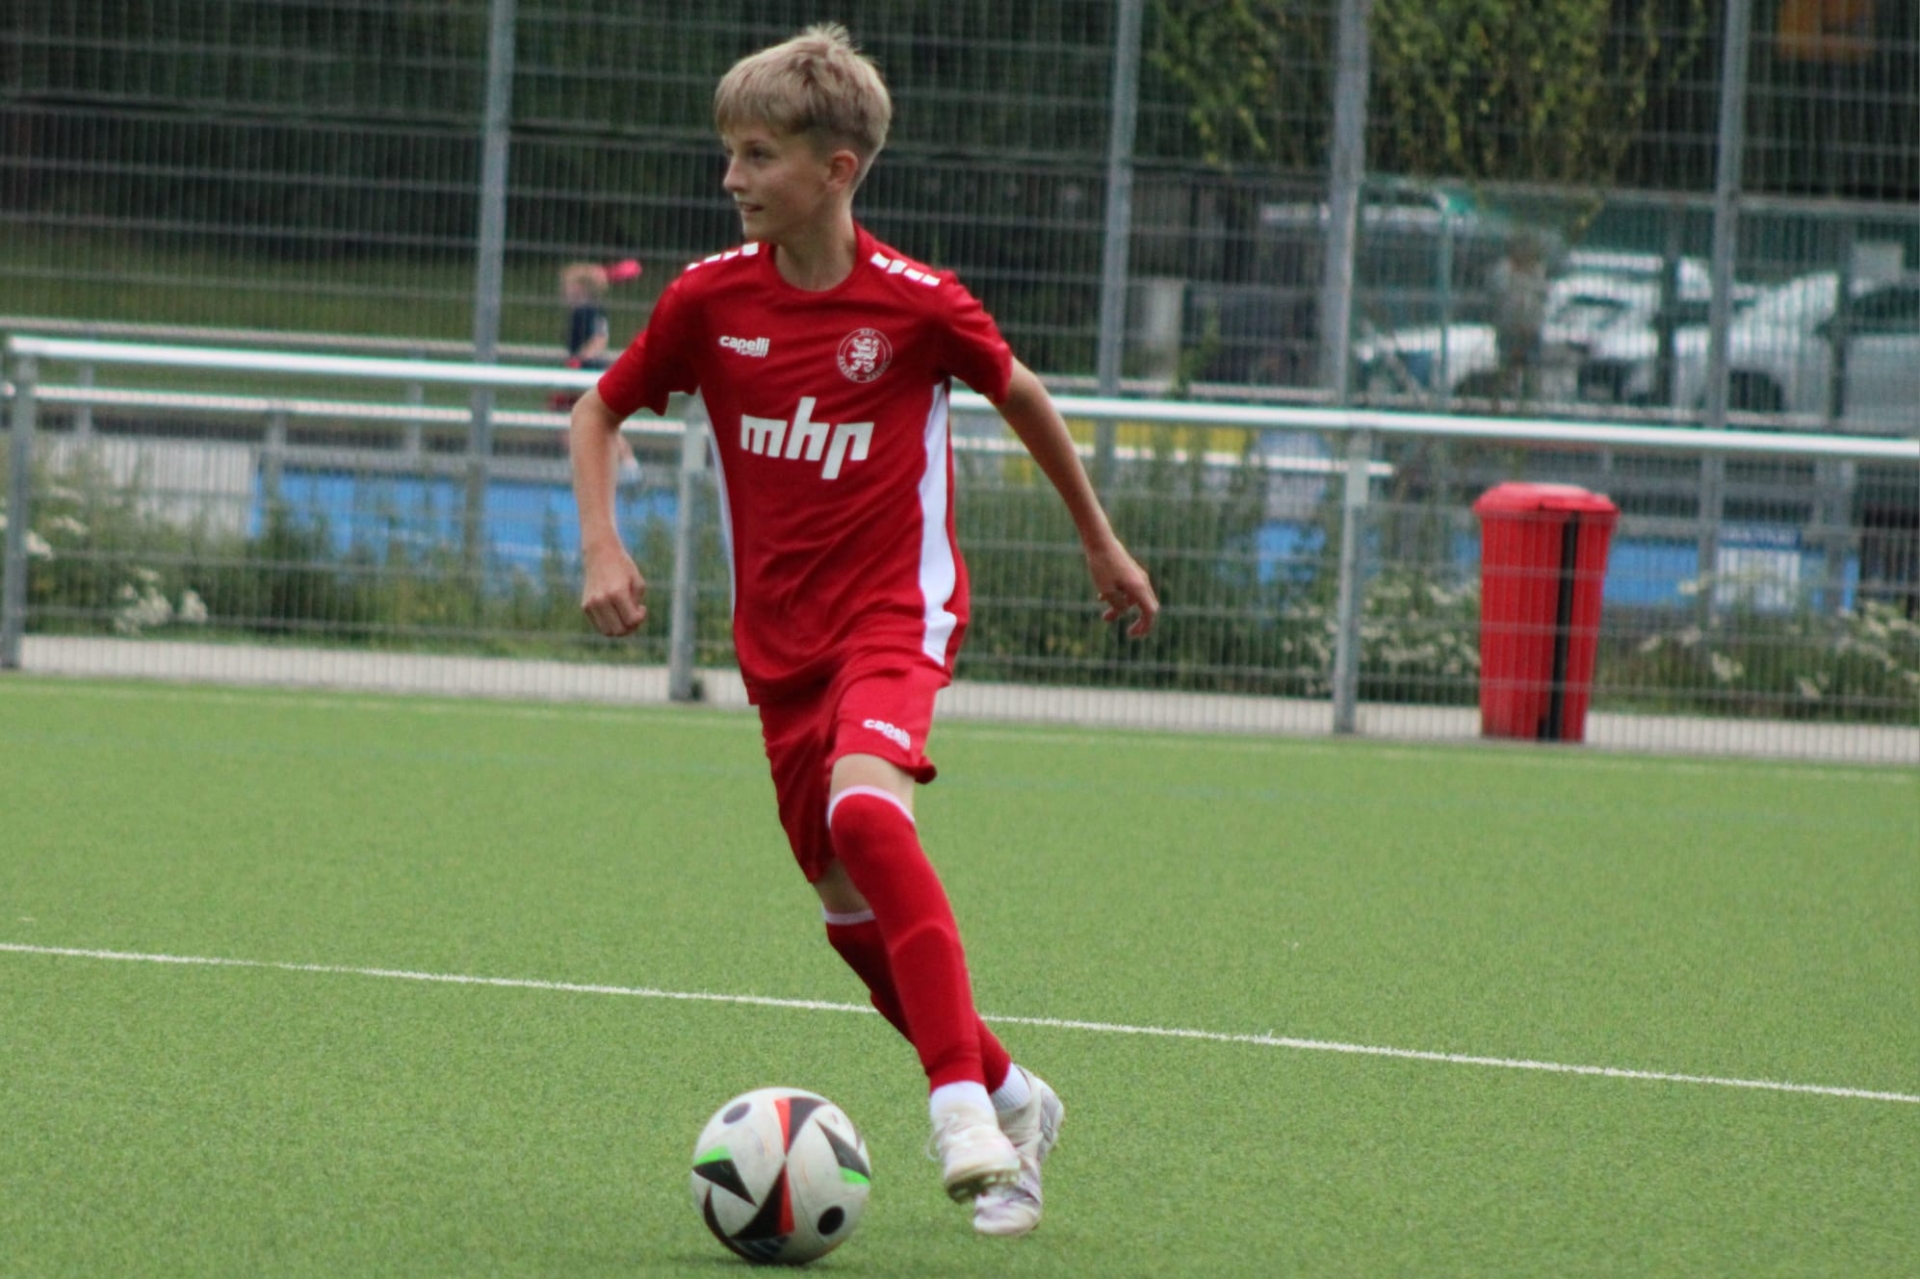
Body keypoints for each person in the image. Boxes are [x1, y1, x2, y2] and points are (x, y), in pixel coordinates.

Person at [569, 24, 1158, 1239]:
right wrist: (601, 544)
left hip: (897, 612)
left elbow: (1024, 394)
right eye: (730, 152)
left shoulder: (916, 305)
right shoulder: (707, 300)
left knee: (867, 814)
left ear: (836, 169)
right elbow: (597, 410)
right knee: (849, 919)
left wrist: (1100, 542)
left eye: (757, 155)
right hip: (779, 653)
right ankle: (1014, 1092)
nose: (731, 177)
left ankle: (961, 1115)